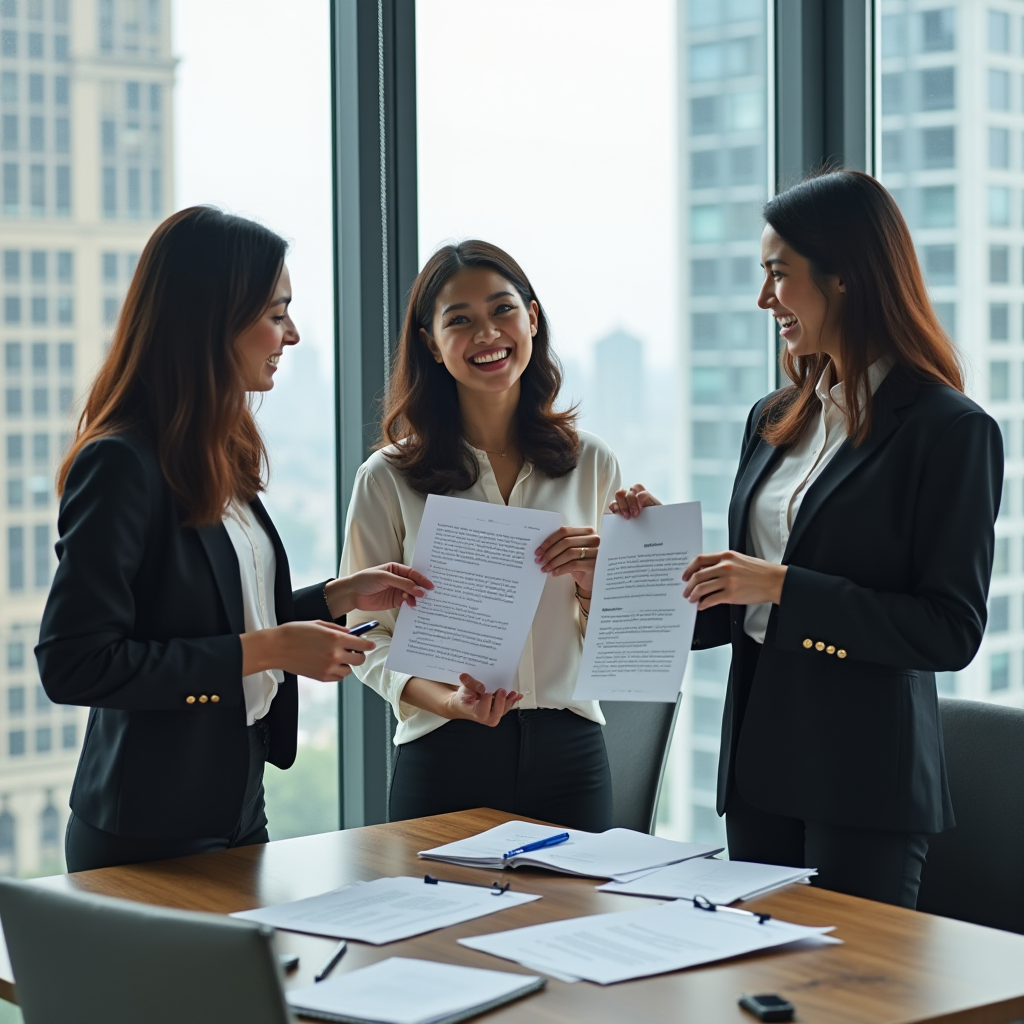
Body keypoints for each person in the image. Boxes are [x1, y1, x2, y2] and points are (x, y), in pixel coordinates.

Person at [611, 170, 1002, 907]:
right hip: (759, 771)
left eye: (779, 275)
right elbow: (736, 610)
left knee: (852, 1005)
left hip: (864, 785)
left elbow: (948, 632)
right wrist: (642, 564)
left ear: (848, 276)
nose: (765, 300)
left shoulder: (950, 432)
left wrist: (782, 586)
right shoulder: (773, 417)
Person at [37, 206, 431, 871]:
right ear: (209, 321)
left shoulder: (221, 451)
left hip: (239, 803)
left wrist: (336, 596)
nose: (294, 334)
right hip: (146, 827)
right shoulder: (122, 463)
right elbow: (75, 662)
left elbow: (221, 617)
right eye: (276, 315)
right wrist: (270, 648)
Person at [339, 240, 622, 831]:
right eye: (460, 320)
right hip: (445, 751)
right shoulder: (387, 478)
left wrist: (597, 585)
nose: (488, 334)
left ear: (533, 319)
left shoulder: (592, 463)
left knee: (571, 923)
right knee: (439, 925)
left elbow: (615, 643)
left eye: (502, 310)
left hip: (571, 753)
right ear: (431, 345)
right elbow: (364, 635)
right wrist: (446, 701)